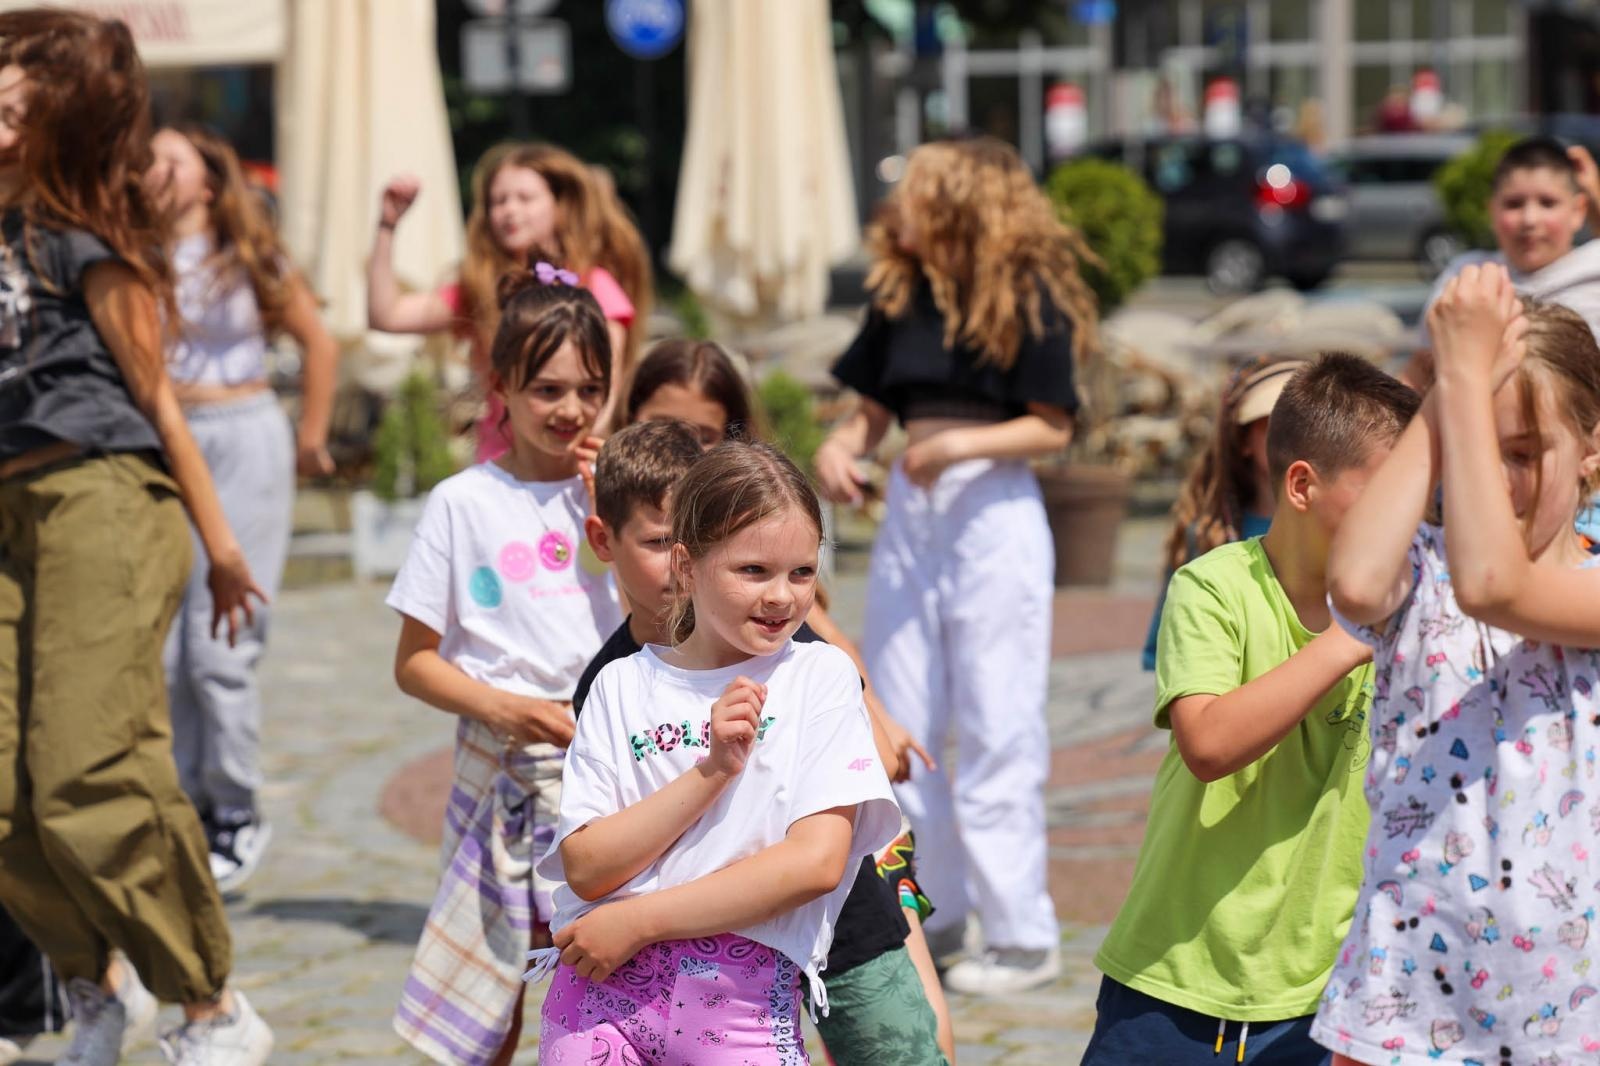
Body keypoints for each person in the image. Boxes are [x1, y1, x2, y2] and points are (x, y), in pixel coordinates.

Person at [0, 10, 275, 1064]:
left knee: (88, 769)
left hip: (100, 493)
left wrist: (222, 546)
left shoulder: (84, 237)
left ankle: (212, 1007)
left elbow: (161, 402)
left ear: (54, 121)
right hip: (9, 515)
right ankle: (96, 983)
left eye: (16, 99)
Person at [572, 421, 952, 1065]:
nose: (780, 594)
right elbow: (588, 861)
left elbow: (817, 862)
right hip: (675, 981)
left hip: (839, 926)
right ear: (688, 562)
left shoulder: (813, 669)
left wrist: (637, 919)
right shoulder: (613, 684)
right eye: (753, 569)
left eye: (802, 571)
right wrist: (709, 774)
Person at [815, 136, 1095, 994]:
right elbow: (869, 412)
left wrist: (958, 446)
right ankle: (929, 914)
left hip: (992, 511)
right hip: (914, 514)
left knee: (998, 721)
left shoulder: (1026, 296)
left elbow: (1054, 424)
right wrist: (841, 447)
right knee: (897, 716)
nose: (897, 201)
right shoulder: (904, 296)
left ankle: (1020, 933)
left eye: (915, 187)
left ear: (956, 201)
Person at [1083, 354, 1420, 1064]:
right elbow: (1208, 744)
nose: (1408, 515)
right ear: (1302, 485)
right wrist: (1350, 639)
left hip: (1329, 995)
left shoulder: (1419, 606)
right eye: (1389, 490)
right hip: (1173, 982)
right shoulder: (1213, 587)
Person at [1314, 265, 1600, 1065]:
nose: (1496, 481)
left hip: (1569, 1025)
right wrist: (1451, 387)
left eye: (1524, 452)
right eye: (1479, 448)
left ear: (1592, 448)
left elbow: (1495, 585)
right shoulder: (1421, 571)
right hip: (1404, 1014)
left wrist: (1471, 378)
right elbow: (1355, 582)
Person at [388, 266, 620, 1065]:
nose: (571, 409)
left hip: (605, 762)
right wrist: (504, 708)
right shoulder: (463, 503)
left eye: (590, 389)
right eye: (548, 389)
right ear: (502, 388)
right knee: (494, 984)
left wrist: (618, 514)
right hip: (503, 762)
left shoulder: (620, 496)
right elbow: (415, 664)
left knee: (593, 966)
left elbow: (674, 618)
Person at [146, 122, 339, 892]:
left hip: (242, 433)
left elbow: (318, 341)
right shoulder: (132, 253)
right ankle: (188, 808)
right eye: (147, 159)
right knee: (166, 651)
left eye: (170, 159)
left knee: (221, 643)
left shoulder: (246, 253)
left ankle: (236, 810)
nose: (154, 170)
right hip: (168, 440)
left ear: (206, 179)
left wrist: (312, 438)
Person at [368, 143, 647, 459]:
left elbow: (606, 390)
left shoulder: (595, 285)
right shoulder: (480, 288)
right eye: (498, 201)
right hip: (500, 462)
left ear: (559, 205)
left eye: (525, 198)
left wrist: (576, 462)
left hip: (572, 462)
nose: (510, 210)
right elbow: (387, 316)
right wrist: (387, 226)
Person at [1141, 357, 1306, 670]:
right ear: (1243, 441)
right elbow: (1167, 649)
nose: (1291, 439)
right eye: (1273, 425)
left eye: (1305, 425)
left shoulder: (1343, 530)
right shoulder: (1209, 536)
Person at [1412, 136, 1600, 389]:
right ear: (1492, 211)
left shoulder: (1593, 264)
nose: (1530, 219)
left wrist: (1596, 194)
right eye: (1514, 204)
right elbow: (1419, 370)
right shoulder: (1467, 274)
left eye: (1548, 203)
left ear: (1578, 211)